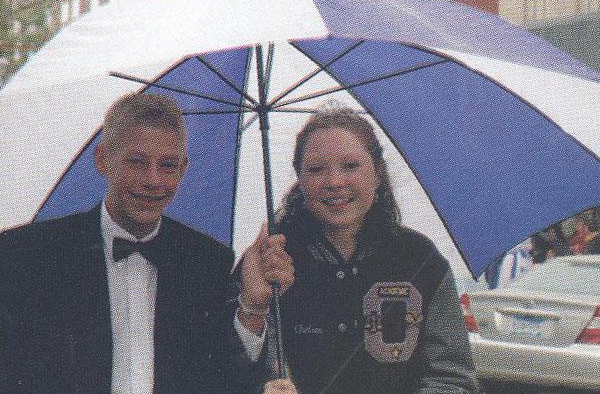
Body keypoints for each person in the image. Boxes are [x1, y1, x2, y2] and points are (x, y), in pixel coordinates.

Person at [0, 90, 275, 394]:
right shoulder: (28, 254)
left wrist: (254, 305)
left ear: (184, 169)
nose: (153, 180)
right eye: (137, 162)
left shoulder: (207, 260)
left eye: (168, 165)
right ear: (103, 160)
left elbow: (222, 377)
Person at [239, 107, 478, 394]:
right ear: (299, 179)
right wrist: (253, 308)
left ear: (377, 174)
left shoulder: (420, 259)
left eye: (351, 166)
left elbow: (453, 380)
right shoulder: (268, 263)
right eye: (316, 169)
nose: (334, 182)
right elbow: (226, 368)